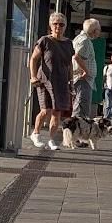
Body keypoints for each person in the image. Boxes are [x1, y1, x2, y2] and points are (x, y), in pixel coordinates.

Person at [28, 12, 74, 150]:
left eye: (61, 24)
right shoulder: (44, 41)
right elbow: (34, 59)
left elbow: (70, 64)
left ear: (65, 26)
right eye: (55, 24)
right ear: (50, 25)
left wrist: (71, 81)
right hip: (45, 81)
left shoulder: (69, 43)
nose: (58, 27)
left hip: (62, 82)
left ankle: (51, 140)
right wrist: (33, 76)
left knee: (57, 112)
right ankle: (36, 133)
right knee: (45, 110)